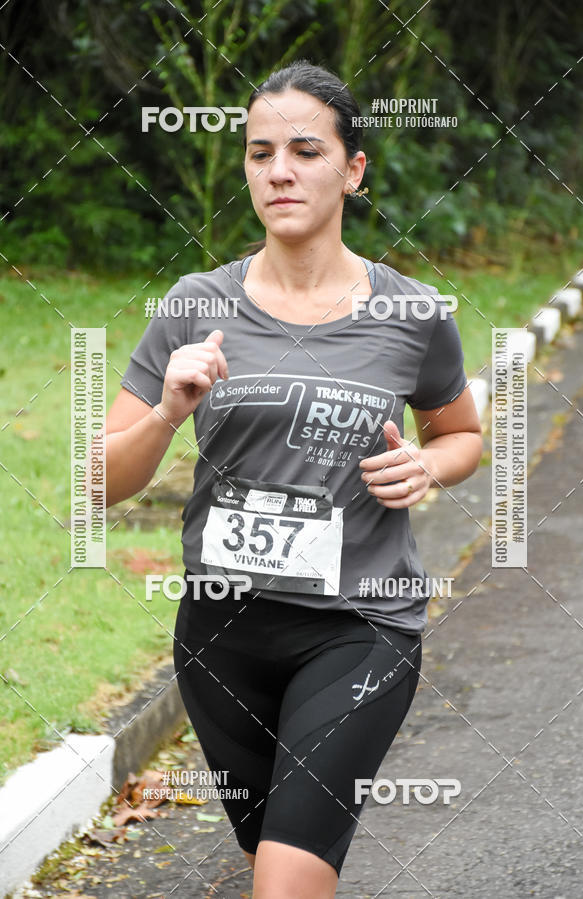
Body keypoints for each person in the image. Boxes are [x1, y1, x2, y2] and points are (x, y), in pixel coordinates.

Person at [104, 60, 482, 899]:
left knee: (282, 882)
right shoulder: (193, 304)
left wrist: (427, 464)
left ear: (352, 169)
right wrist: (168, 412)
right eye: (259, 151)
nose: (278, 170)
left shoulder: (413, 313)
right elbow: (100, 482)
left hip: (358, 627)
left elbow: (460, 435)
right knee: (274, 865)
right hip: (220, 638)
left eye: (305, 150)